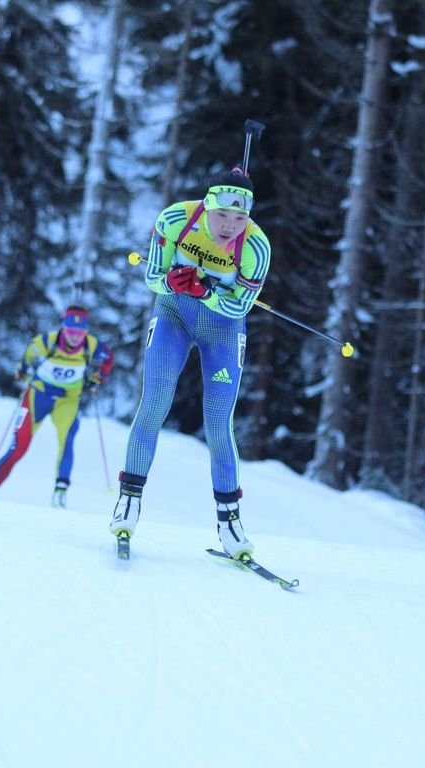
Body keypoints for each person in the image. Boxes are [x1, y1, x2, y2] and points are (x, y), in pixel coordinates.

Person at [110, 167, 271, 559]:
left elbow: (242, 304)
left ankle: (231, 525)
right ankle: (128, 503)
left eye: (240, 218)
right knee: (154, 404)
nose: (231, 226)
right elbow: (152, 275)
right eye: (223, 215)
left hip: (223, 331)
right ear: (207, 205)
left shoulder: (255, 247)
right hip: (173, 317)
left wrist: (206, 291)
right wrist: (173, 282)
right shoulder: (175, 219)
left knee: (218, 422)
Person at [0, 305, 114, 507]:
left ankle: (60, 492)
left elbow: (108, 360)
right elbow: (26, 360)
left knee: (67, 441)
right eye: (71, 331)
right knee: (19, 446)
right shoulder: (45, 342)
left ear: (86, 331)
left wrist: (99, 378)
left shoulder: (93, 345)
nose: (75, 337)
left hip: (68, 400)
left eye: (80, 332)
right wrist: (22, 373)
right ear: (63, 328)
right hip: (37, 396)